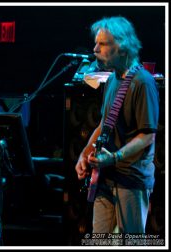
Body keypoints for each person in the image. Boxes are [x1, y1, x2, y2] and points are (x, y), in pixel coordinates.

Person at [75, 16, 159, 234]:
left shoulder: (143, 82)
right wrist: (84, 154)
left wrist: (115, 157)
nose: (95, 49)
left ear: (122, 48)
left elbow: (147, 135)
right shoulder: (112, 79)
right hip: (105, 178)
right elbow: (104, 123)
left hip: (131, 180)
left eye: (102, 44)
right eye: (96, 43)